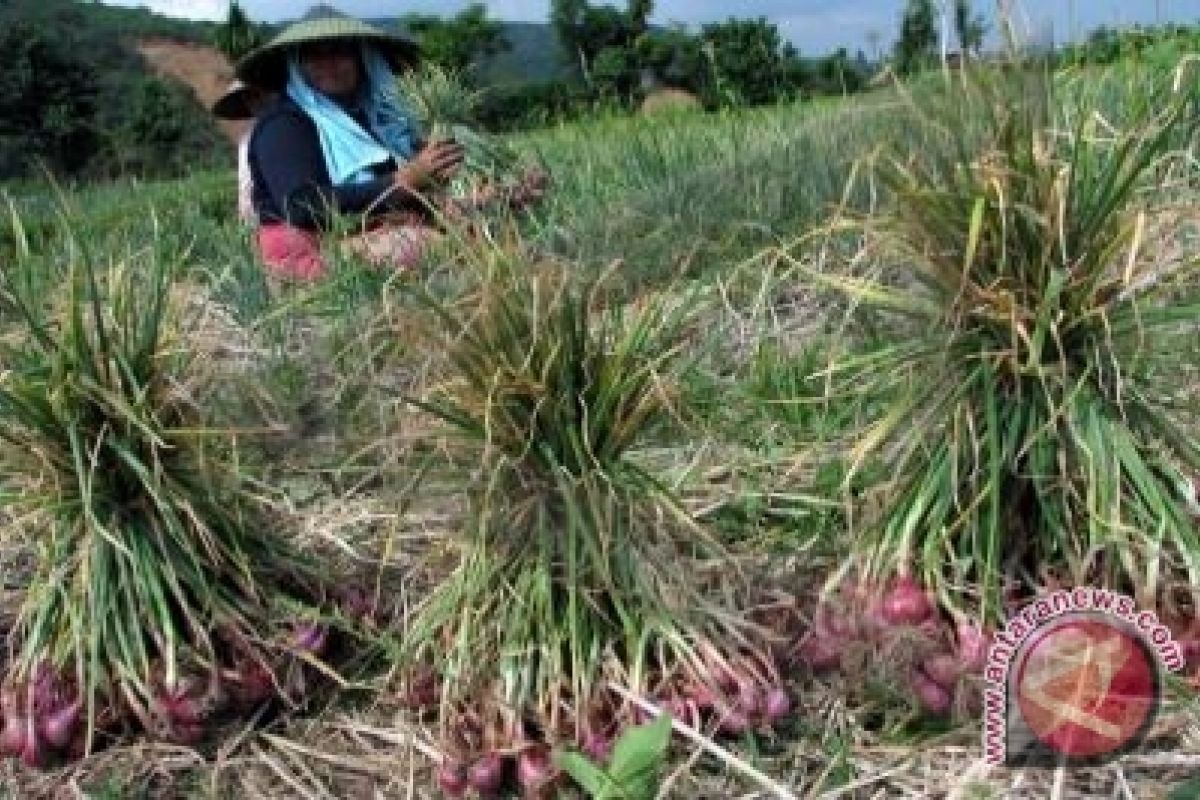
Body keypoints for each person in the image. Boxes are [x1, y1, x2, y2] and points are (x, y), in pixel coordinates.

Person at [236, 7, 464, 282]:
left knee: (474, 225)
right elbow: (300, 205)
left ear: (363, 58)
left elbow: (399, 193)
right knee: (430, 245)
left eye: (339, 50)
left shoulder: (377, 122)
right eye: (313, 55)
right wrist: (402, 181)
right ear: (297, 64)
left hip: (366, 235)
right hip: (311, 252)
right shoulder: (284, 124)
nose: (327, 63)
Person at [211, 81, 277, 226]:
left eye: (260, 93)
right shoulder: (248, 142)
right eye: (249, 97)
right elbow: (246, 191)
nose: (257, 101)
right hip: (268, 222)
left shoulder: (297, 127)